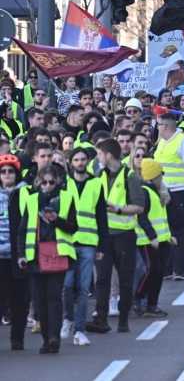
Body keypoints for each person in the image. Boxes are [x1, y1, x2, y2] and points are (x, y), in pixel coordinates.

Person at [16, 165, 78, 353]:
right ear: (39, 183)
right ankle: (46, 339)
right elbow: (23, 229)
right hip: (36, 255)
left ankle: (54, 337)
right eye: (44, 182)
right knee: (41, 300)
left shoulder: (66, 198)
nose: (48, 186)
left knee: (54, 296)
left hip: (58, 252)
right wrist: (21, 255)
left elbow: (73, 227)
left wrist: (57, 219)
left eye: (52, 182)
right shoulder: (33, 200)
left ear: (57, 181)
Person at [87, 138, 144, 334]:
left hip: (124, 235)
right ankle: (101, 318)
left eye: (100, 154)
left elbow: (139, 206)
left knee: (125, 278)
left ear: (109, 155)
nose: (98, 158)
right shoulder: (97, 175)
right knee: (102, 278)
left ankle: (123, 320)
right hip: (103, 236)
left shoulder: (129, 177)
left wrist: (118, 210)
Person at [61, 148, 108, 346]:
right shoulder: (64, 183)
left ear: (88, 161)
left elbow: (101, 217)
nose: (80, 163)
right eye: (76, 160)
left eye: (83, 160)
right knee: (66, 285)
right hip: (67, 241)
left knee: (82, 288)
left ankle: (79, 330)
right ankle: (68, 319)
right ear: (71, 163)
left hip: (89, 242)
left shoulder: (96, 183)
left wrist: (102, 246)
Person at [152, 113, 184, 280]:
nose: (156, 128)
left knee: (178, 229)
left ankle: (179, 270)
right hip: (162, 191)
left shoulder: (183, 141)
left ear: (165, 126)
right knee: (165, 229)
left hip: (180, 191)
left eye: (158, 125)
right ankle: (167, 269)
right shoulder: (161, 142)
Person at [133, 158, 173, 317]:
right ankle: (138, 297)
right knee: (152, 270)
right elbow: (141, 217)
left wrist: (169, 236)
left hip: (161, 240)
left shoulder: (156, 191)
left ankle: (152, 305)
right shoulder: (145, 191)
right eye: (160, 174)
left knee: (159, 271)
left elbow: (162, 218)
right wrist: (152, 236)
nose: (162, 177)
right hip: (147, 240)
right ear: (154, 176)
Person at [0, 154, 28, 350]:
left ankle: (17, 337)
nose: (7, 174)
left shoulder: (25, 192)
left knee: (20, 299)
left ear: (17, 174)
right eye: (3, 171)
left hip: (20, 255)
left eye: (11, 171)